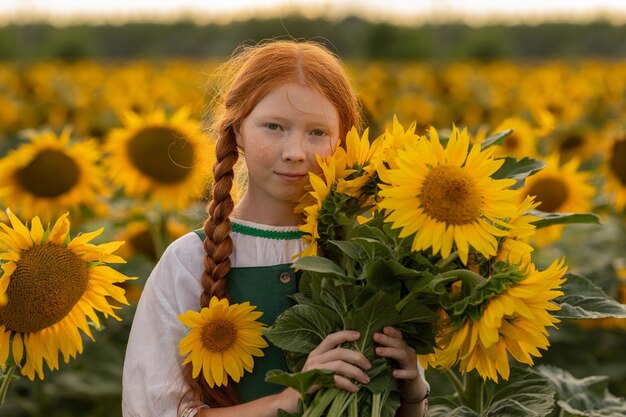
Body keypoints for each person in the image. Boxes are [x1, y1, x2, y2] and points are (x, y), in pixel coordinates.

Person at [122, 39, 429, 417]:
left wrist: (412, 391)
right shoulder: (188, 261)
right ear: (237, 132)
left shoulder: (370, 258)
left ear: (344, 141)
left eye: (317, 132)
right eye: (273, 127)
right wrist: (287, 401)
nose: (296, 151)